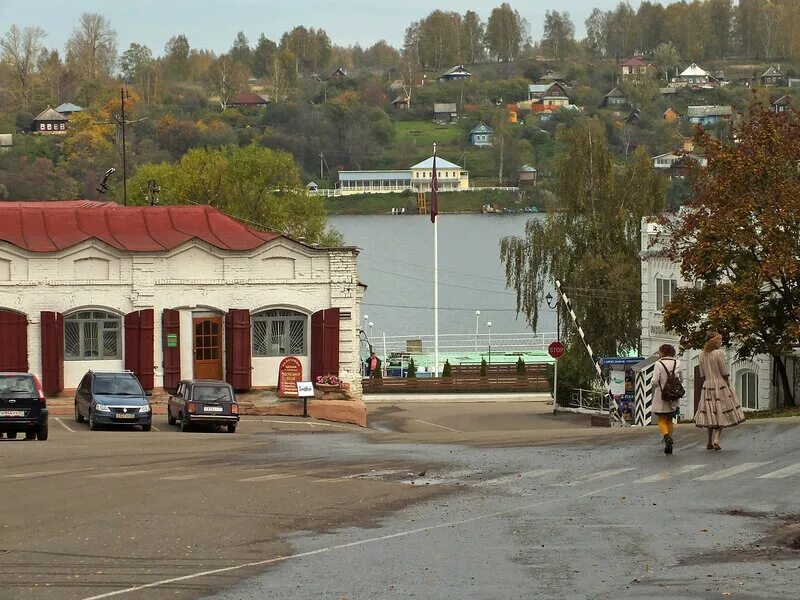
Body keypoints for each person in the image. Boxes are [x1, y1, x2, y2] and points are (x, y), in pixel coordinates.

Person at [694, 331, 745, 450]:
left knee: (710, 413)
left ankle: (709, 441)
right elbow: (724, 371)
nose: (721, 341)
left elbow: (702, 374)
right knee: (721, 410)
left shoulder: (701, 355)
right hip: (720, 384)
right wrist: (727, 384)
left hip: (707, 385)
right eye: (720, 339)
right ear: (714, 340)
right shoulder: (718, 353)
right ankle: (716, 439)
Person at [652, 343, 683, 454]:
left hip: (662, 395)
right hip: (673, 395)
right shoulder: (677, 363)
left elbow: (655, 381)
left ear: (663, 352)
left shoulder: (658, 364)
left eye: (659, 351)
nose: (659, 353)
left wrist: (658, 384)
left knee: (661, 420)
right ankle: (668, 440)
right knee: (670, 419)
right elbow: (681, 379)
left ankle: (666, 437)